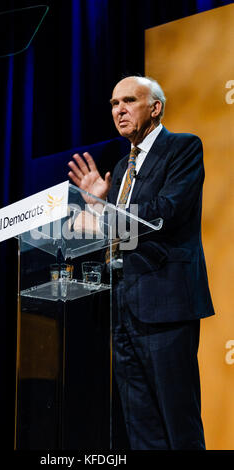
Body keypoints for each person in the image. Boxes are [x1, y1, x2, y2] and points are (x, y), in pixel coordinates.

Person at [68, 76, 215, 450]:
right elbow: (127, 234)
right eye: (114, 103)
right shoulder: (119, 169)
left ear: (155, 107)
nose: (119, 110)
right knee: (141, 429)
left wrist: (102, 216)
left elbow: (164, 213)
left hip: (166, 304)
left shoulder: (182, 148)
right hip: (123, 308)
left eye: (129, 100)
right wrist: (99, 204)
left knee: (178, 421)